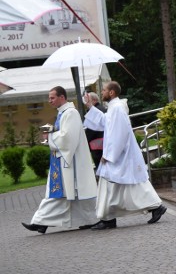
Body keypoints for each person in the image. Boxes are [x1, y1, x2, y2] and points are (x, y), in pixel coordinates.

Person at [83, 81, 166, 230]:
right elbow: (104, 123)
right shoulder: (113, 108)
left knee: (123, 184)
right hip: (118, 155)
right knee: (123, 185)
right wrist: (90, 106)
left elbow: (119, 133)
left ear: (112, 93)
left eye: (104, 90)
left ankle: (109, 218)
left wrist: (108, 155)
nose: (101, 93)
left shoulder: (117, 109)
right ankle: (109, 217)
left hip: (119, 155)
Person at [22, 86, 99, 234]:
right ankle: (88, 220)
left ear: (62, 97)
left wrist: (50, 137)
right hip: (63, 160)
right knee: (69, 194)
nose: (49, 100)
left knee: (62, 193)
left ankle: (40, 222)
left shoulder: (71, 113)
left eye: (52, 97)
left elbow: (67, 138)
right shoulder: (63, 113)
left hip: (71, 162)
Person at [83, 91, 106, 168]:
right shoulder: (101, 108)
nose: (86, 102)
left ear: (94, 100)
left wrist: (86, 141)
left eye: (88, 99)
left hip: (97, 142)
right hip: (99, 142)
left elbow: (92, 129)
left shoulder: (98, 110)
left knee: (99, 165)